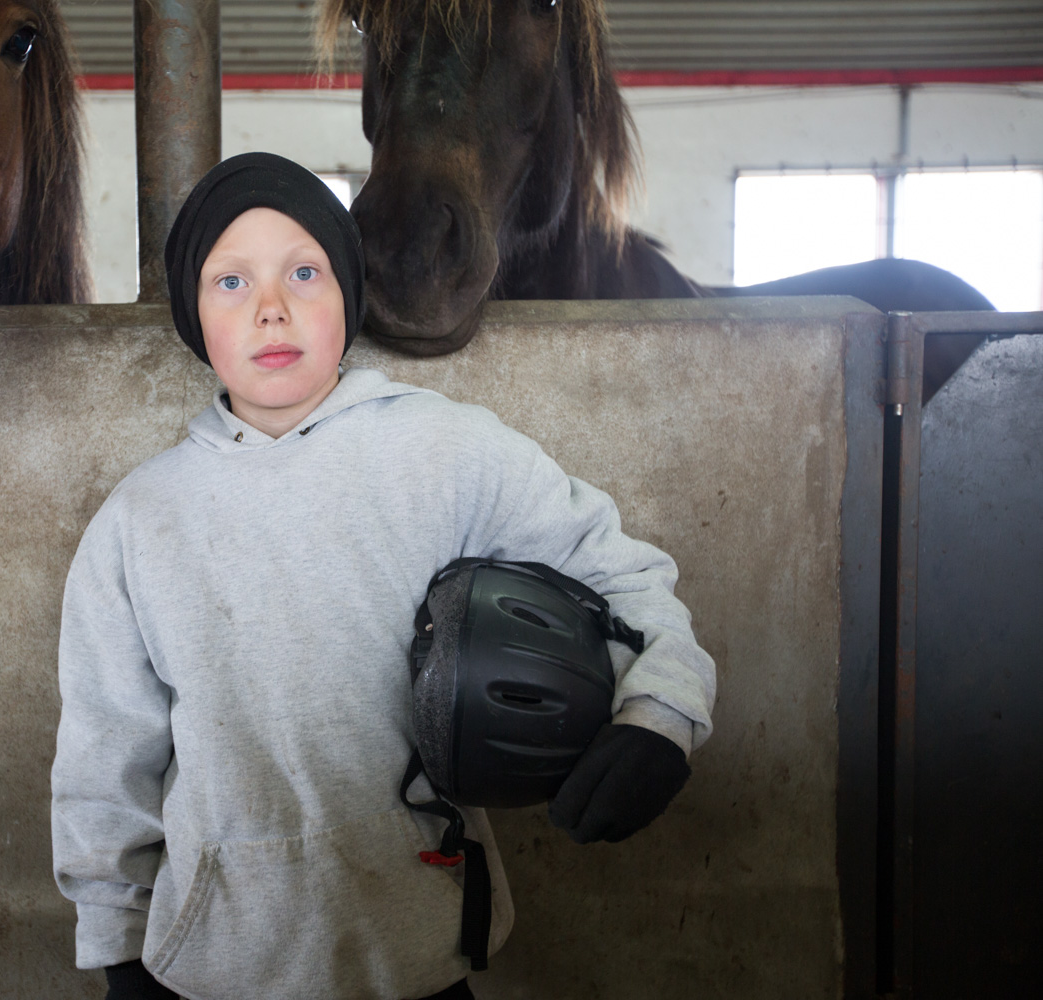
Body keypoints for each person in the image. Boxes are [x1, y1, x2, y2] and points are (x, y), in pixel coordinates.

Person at [51, 152, 716, 1000]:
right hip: (214, 965)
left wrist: (659, 715)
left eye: (304, 271)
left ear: (349, 295)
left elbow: (621, 575)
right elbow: (106, 756)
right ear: (191, 313)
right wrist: (116, 949)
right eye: (229, 282)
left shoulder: (445, 453)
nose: (271, 307)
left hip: (421, 952)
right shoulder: (137, 522)